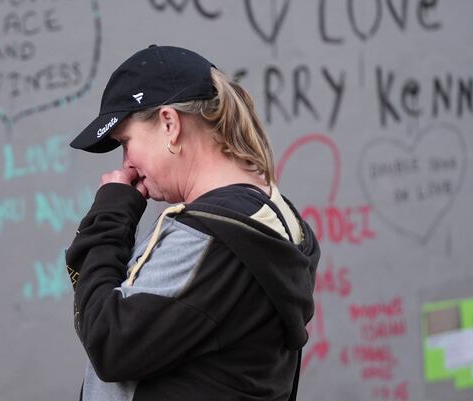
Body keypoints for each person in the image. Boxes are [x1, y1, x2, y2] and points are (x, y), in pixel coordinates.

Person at [65, 44, 320, 401]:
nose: (127, 165)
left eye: (126, 141)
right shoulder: (272, 216)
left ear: (170, 124)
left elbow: (109, 340)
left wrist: (108, 219)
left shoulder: (208, 237)